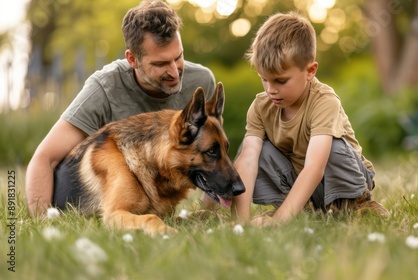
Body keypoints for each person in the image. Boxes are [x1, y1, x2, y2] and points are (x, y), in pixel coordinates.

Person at [25, 0, 216, 217]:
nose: (174, 71)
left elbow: (213, 157)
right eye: (160, 64)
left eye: (178, 57)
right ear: (132, 59)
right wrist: (42, 222)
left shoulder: (202, 81)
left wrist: (205, 215)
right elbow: (44, 159)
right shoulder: (103, 89)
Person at [231, 12, 389, 227]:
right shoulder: (260, 107)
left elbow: (315, 166)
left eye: (280, 80)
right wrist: (240, 222)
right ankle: (303, 209)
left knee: (333, 147)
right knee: (258, 151)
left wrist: (279, 221)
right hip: (304, 183)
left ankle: (357, 204)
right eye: (264, 80)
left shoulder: (324, 101)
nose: (271, 90)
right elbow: (247, 160)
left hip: (343, 179)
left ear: (310, 71)